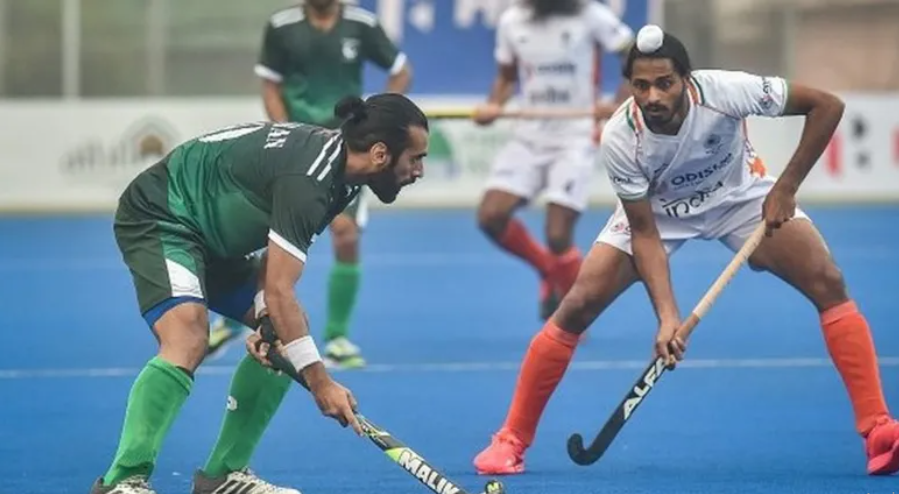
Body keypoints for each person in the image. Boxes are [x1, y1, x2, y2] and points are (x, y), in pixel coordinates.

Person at [473, 24, 899, 476]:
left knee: (827, 281)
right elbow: (644, 233)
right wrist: (667, 316)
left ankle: (878, 430)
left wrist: (786, 188)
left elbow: (827, 105)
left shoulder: (726, 91)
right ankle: (510, 440)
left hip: (741, 198)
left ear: (686, 80)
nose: (653, 96)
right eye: (641, 86)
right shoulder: (620, 137)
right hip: (659, 211)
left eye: (665, 83)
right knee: (577, 305)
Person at [91, 93, 429, 494]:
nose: (419, 171)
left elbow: (277, 262)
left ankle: (223, 475)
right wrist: (321, 384)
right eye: (415, 158)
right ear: (379, 153)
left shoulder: (343, 178)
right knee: (188, 335)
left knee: (287, 334)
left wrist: (270, 323)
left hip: (216, 240)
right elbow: (281, 291)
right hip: (163, 214)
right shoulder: (310, 179)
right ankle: (122, 479)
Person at [207, 0, 413, 368]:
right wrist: (288, 129)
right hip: (295, 152)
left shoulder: (362, 25)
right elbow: (271, 86)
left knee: (346, 234)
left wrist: (376, 116)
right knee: (264, 230)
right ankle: (236, 315)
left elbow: (401, 71)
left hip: (348, 150)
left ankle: (338, 337)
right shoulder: (282, 26)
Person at [473, 0, 634, 320]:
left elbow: (634, 55)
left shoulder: (591, 15)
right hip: (528, 135)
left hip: (575, 135)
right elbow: (506, 77)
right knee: (491, 216)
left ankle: (572, 314)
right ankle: (551, 271)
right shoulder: (511, 21)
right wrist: (494, 104)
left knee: (558, 234)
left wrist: (621, 101)